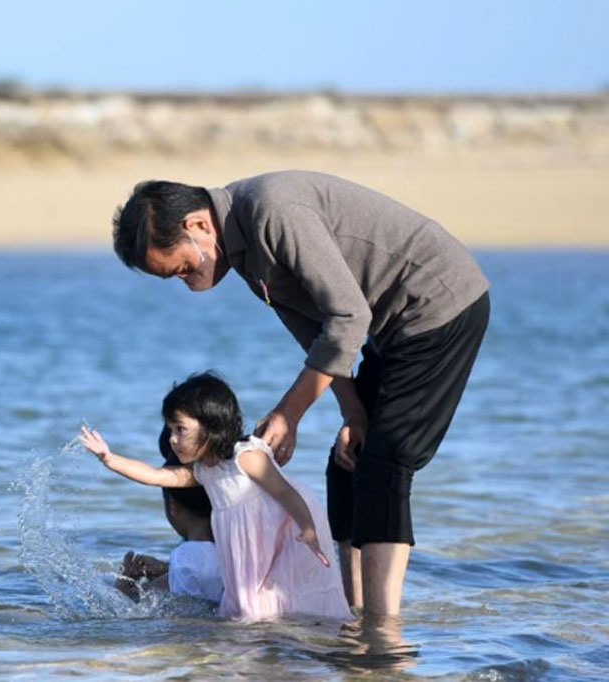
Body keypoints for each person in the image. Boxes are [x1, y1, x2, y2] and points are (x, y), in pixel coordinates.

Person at [110, 171, 490, 617]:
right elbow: (320, 334)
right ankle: (351, 609)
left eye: (185, 268)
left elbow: (347, 317)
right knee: (349, 461)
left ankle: (381, 628)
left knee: (387, 461)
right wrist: (353, 411)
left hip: (437, 306)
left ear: (199, 225)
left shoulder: (273, 212)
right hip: (387, 329)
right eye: (175, 279)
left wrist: (289, 412)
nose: (190, 283)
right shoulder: (245, 254)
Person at [81, 372, 352, 622]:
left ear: (210, 427)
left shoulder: (245, 457)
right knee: (244, 608)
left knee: (278, 600)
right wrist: (110, 458)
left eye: (180, 429)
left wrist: (306, 526)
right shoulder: (204, 471)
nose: (173, 440)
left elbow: (284, 491)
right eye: (171, 429)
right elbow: (155, 475)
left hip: (282, 532)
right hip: (247, 545)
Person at [115, 428, 223, 605]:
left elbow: (133, 601)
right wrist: (166, 569)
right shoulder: (233, 546)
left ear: (173, 506)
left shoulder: (183, 557)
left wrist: (125, 581)